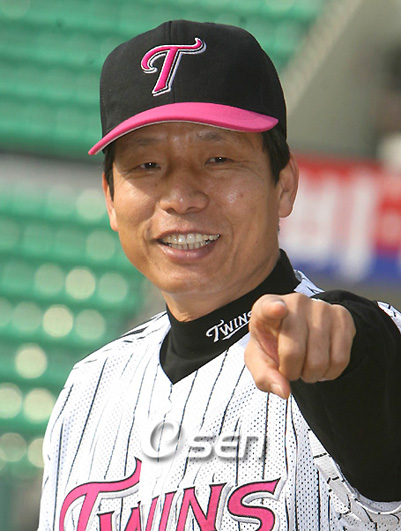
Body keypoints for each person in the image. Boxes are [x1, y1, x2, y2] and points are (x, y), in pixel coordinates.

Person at [38, 20, 401, 530]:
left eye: (217, 158)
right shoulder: (87, 392)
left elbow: (370, 359)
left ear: (283, 185)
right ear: (111, 200)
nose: (181, 196)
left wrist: (345, 341)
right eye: (146, 166)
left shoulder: (347, 351)